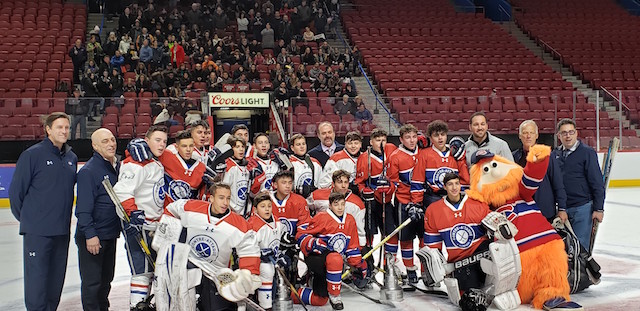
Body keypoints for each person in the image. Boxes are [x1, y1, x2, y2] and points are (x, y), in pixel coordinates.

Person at [418, 172, 521, 310]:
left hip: (483, 253)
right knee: (470, 301)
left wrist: (501, 227)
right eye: (450, 184)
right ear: (445, 187)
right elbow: (433, 246)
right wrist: (434, 269)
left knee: (501, 255)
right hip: (461, 262)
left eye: (456, 183)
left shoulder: (477, 204)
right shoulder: (434, 211)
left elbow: (495, 227)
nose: (454, 187)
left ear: (460, 184)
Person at [154, 183, 261, 311]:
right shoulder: (192, 208)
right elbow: (172, 209)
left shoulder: (239, 224)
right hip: (189, 264)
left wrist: (249, 275)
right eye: (221, 198)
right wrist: (164, 244)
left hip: (216, 273)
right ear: (211, 198)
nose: (225, 202)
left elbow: (249, 250)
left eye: (228, 198)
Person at [9, 112, 78, 311]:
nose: (64, 131)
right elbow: (16, 194)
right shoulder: (32, 155)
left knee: (55, 284)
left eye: (66, 127)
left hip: (61, 232)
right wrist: (30, 221)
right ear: (48, 129)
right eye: (59, 127)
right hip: (38, 233)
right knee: (37, 284)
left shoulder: (71, 158)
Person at [113, 125, 167, 310]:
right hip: (139, 225)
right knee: (142, 272)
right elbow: (122, 191)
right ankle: (137, 306)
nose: (161, 144)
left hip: (153, 226)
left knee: (152, 271)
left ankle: (146, 305)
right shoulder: (135, 163)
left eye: (164, 141)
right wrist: (132, 214)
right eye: (157, 140)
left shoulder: (155, 162)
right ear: (147, 140)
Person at [295, 192, 368, 309]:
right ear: (329, 205)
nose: (340, 207)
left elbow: (352, 246)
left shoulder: (350, 220)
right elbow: (301, 235)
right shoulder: (322, 217)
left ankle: (293, 293)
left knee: (320, 300)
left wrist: (359, 263)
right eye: (336, 204)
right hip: (317, 257)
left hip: (334, 263)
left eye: (342, 204)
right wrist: (313, 242)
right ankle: (335, 296)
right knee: (335, 258)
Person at [75, 128, 120, 311]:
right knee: (92, 284)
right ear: (94, 146)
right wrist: (90, 234)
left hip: (110, 234)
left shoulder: (117, 166)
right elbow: (83, 209)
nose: (110, 144)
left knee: (105, 282)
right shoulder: (89, 171)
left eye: (112, 139)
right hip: (94, 237)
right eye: (104, 141)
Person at [554, 118, 605, 249]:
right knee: (564, 248)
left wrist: (598, 208)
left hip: (582, 208)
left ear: (576, 133)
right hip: (562, 210)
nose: (568, 136)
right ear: (559, 136)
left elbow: (597, 182)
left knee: (581, 248)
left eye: (571, 132)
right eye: (564, 133)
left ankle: (581, 270)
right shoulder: (555, 155)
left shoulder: (587, 153)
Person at [386, 123, 424, 285]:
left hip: (423, 200)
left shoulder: (423, 152)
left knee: (424, 237)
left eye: (414, 137)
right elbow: (392, 181)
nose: (412, 140)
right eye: (408, 137)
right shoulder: (396, 156)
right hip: (404, 202)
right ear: (401, 139)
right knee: (406, 238)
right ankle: (410, 270)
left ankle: (426, 270)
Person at [512, 120, 567, 222]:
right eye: (525, 133)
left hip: (545, 211)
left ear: (536, 135)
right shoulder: (514, 157)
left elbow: (558, 183)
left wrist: (562, 208)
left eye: (531, 133)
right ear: (520, 136)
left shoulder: (547, 156)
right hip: (522, 211)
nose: (528, 136)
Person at [355, 128, 397, 247]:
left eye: (384, 140)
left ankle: (389, 259)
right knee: (370, 231)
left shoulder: (392, 150)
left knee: (390, 231)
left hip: (387, 198)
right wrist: (363, 190)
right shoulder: (364, 158)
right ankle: (369, 258)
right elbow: (359, 182)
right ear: (371, 142)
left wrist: (391, 188)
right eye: (378, 140)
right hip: (372, 200)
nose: (381, 143)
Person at [247, 192, 290, 310]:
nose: (267, 209)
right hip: (255, 263)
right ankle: (265, 306)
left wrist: (281, 254)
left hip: (272, 260)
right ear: (255, 210)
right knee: (267, 269)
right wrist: (260, 253)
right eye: (263, 206)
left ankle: (270, 300)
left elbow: (279, 242)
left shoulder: (277, 222)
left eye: (269, 206)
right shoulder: (253, 225)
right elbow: (247, 248)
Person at [413, 120, 469, 209]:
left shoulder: (456, 153)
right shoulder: (424, 154)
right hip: (433, 198)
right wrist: (416, 203)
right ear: (431, 138)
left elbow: (464, 180)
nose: (440, 138)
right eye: (436, 135)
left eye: (442, 134)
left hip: (453, 197)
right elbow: (417, 181)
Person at [307, 170, 366, 247]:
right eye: (340, 182)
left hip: (344, 243)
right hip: (321, 241)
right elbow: (304, 209)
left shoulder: (357, 204)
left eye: (346, 182)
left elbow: (360, 232)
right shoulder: (318, 196)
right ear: (333, 184)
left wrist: (361, 247)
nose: (343, 186)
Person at [223, 135, 264, 217]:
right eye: (237, 147)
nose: (241, 149)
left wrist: (257, 180)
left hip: (246, 213)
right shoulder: (228, 167)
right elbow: (223, 191)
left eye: (243, 146)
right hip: (231, 213)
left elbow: (252, 194)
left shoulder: (248, 166)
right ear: (230, 149)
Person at [288, 133, 323, 198]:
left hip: (313, 200)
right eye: (298, 144)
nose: (302, 146)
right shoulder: (289, 163)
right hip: (296, 199)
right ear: (292, 148)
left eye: (303, 144)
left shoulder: (315, 163)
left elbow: (320, 183)